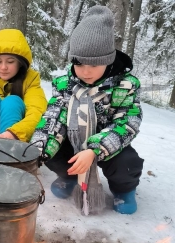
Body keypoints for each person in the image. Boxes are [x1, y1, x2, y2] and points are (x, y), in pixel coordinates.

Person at [30, 6, 144, 215]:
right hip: (74, 143)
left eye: (95, 63)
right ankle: (70, 177)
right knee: (52, 151)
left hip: (109, 146)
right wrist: (37, 152)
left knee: (128, 163)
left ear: (108, 59)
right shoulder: (65, 84)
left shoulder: (126, 86)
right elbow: (53, 119)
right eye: (79, 63)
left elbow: (127, 124)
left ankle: (124, 190)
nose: (86, 71)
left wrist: (93, 150)